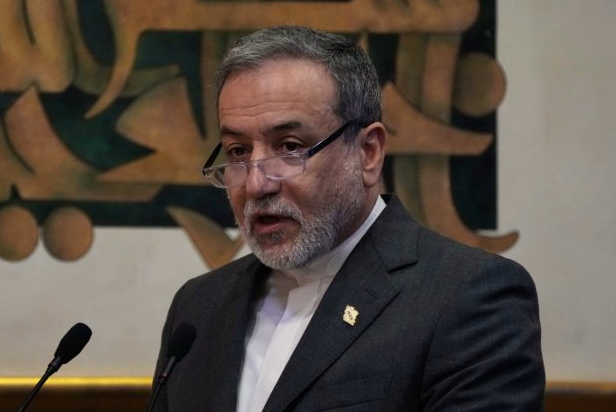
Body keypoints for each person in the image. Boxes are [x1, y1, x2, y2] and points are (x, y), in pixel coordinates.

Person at [151, 25, 544, 411]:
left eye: (290, 147)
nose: (256, 184)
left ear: (368, 153)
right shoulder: (199, 306)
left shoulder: (468, 297)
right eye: (238, 151)